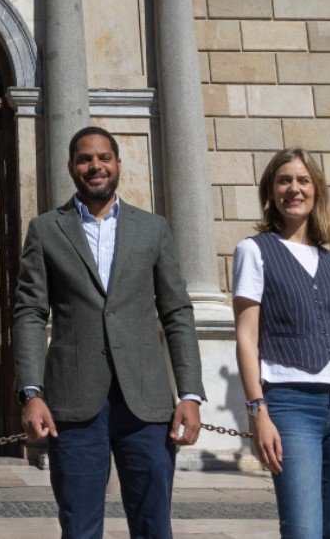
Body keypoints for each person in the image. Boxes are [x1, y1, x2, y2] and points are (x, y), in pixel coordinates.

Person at [13, 125, 205, 539]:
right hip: (73, 401)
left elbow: (177, 312)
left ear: (119, 164)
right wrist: (31, 392)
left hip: (147, 403)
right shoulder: (46, 229)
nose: (94, 166)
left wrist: (190, 393)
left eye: (103, 157)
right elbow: (29, 311)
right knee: (79, 526)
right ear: (70, 167)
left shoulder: (152, 229)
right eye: (84, 159)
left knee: (154, 524)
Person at [234, 148, 330, 539]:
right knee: (303, 529)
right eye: (284, 180)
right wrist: (258, 411)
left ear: (316, 190)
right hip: (291, 402)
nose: (294, 189)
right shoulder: (254, 250)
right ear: (270, 191)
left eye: (303, 181)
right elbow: (247, 338)